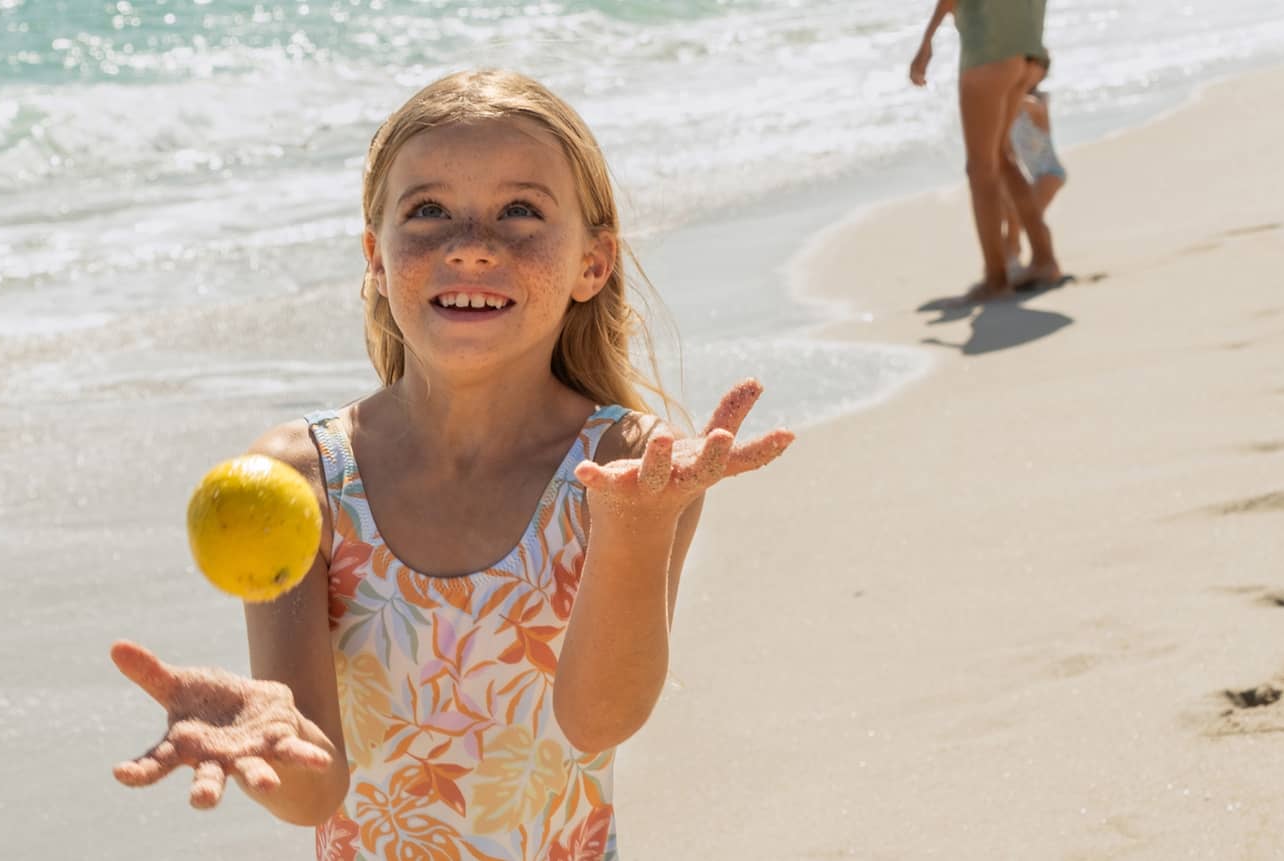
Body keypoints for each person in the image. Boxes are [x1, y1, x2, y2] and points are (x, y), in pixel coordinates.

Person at [109, 69, 796, 861]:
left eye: (521, 211)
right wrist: (266, 738)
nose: (471, 245)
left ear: (592, 263)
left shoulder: (625, 469)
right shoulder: (303, 481)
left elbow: (596, 723)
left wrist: (638, 532)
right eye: (428, 211)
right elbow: (314, 794)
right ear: (376, 254)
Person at [910, 0, 1063, 301]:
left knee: (980, 168)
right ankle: (1044, 261)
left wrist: (926, 42)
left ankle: (996, 280)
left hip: (989, 53)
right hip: (1027, 52)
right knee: (1001, 160)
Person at [1002, 61, 1067, 273]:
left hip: (1050, 173)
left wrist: (1005, 92)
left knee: (1028, 219)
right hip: (1035, 176)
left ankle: (1043, 262)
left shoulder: (1038, 101)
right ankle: (1011, 260)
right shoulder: (1012, 112)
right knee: (1013, 216)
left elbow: (1027, 104)